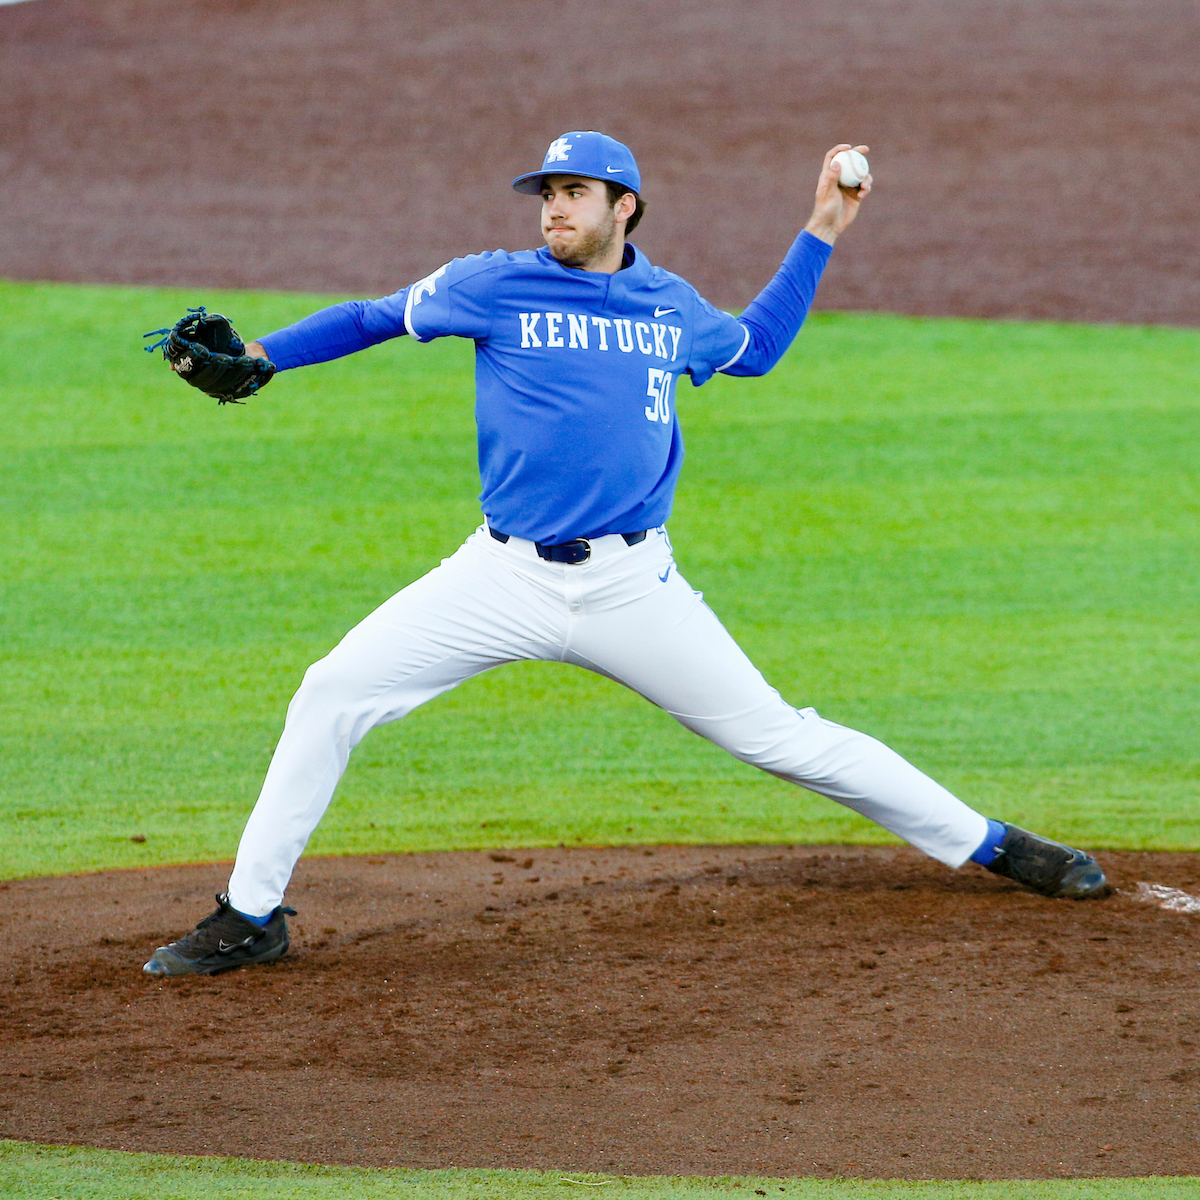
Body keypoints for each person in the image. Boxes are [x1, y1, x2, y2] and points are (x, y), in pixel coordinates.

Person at [143, 132, 1108, 977]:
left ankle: (991, 844)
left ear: (623, 206)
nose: (553, 208)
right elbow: (369, 317)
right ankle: (251, 917)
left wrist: (821, 230)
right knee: (331, 690)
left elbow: (758, 348)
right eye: (545, 194)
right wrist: (262, 355)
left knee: (781, 738)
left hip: (633, 586)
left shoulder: (669, 304)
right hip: (501, 576)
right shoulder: (490, 281)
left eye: (572, 193)